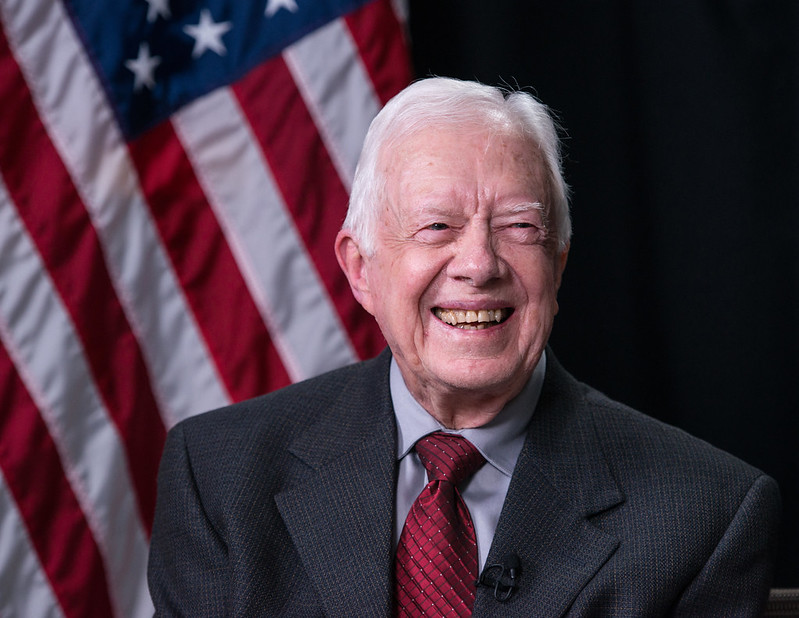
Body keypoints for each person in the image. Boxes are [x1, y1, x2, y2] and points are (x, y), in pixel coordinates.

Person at [148, 77, 781, 616]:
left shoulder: (706, 515)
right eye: (436, 227)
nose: (478, 264)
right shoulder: (219, 479)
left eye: (519, 227)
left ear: (557, 266)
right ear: (361, 269)